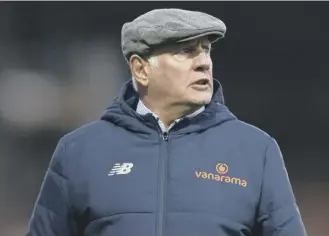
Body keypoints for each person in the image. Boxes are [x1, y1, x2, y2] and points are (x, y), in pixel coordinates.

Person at [26, 8, 306, 236]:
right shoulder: (78, 150)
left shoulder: (257, 150)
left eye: (206, 50)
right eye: (185, 51)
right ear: (141, 69)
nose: (204, 63)